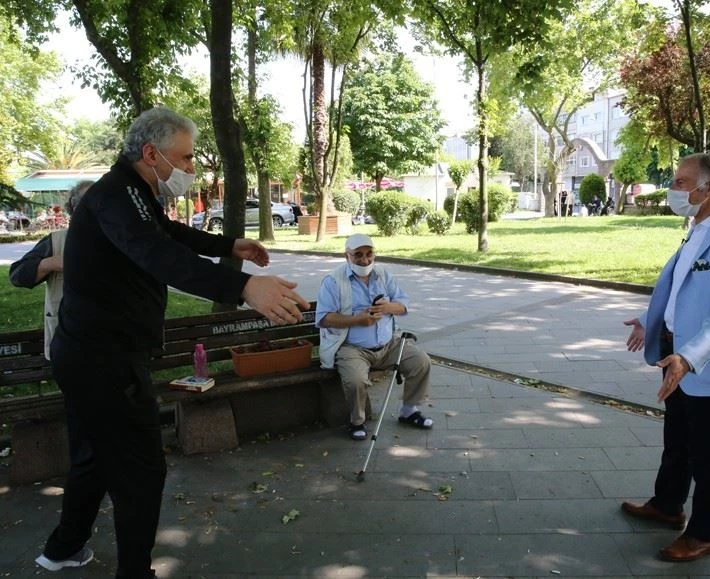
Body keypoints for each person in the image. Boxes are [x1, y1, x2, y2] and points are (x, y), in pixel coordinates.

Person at [34, 107, 309, 578]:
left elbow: (165, 232)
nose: (190, 168)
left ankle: (62, 549)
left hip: (89, 355)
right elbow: (158, 253)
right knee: (141, 471)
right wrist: (243, 286)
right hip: (105, 362)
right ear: (151, 153)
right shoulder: (116, 195)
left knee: (93, 459)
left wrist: (228, 246)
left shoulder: (131, 192)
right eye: (184, 158)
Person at [621, 153, 710, 563]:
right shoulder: (697, 228)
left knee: (708, 454)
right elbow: (680, 288)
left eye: (681, 182)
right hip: (674, 354)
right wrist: (650, 320)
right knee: (677, 440)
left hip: (704, 363)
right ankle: (667, 505)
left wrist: (689, 357)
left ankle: (703, 534)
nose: (673, 190)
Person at [315, 233, 433, 441]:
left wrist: (388, 307)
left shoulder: (382, 274)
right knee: (356, 380)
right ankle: (357, 421)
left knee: (421, 362)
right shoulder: (333, 281)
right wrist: (357, 320)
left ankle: (409, 411)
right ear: (347, 256)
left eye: (369, 254)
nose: (365, 260)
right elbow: (324, 318)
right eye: (358, 254)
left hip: (388, 344)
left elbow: (403, 304)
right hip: (352, 348)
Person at [9, 181, 93, 360]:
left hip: (113, 345)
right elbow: (18, 276)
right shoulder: (56, 241)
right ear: (75, 208)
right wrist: (51, 263)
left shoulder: (122, 239)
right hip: (69, 346)